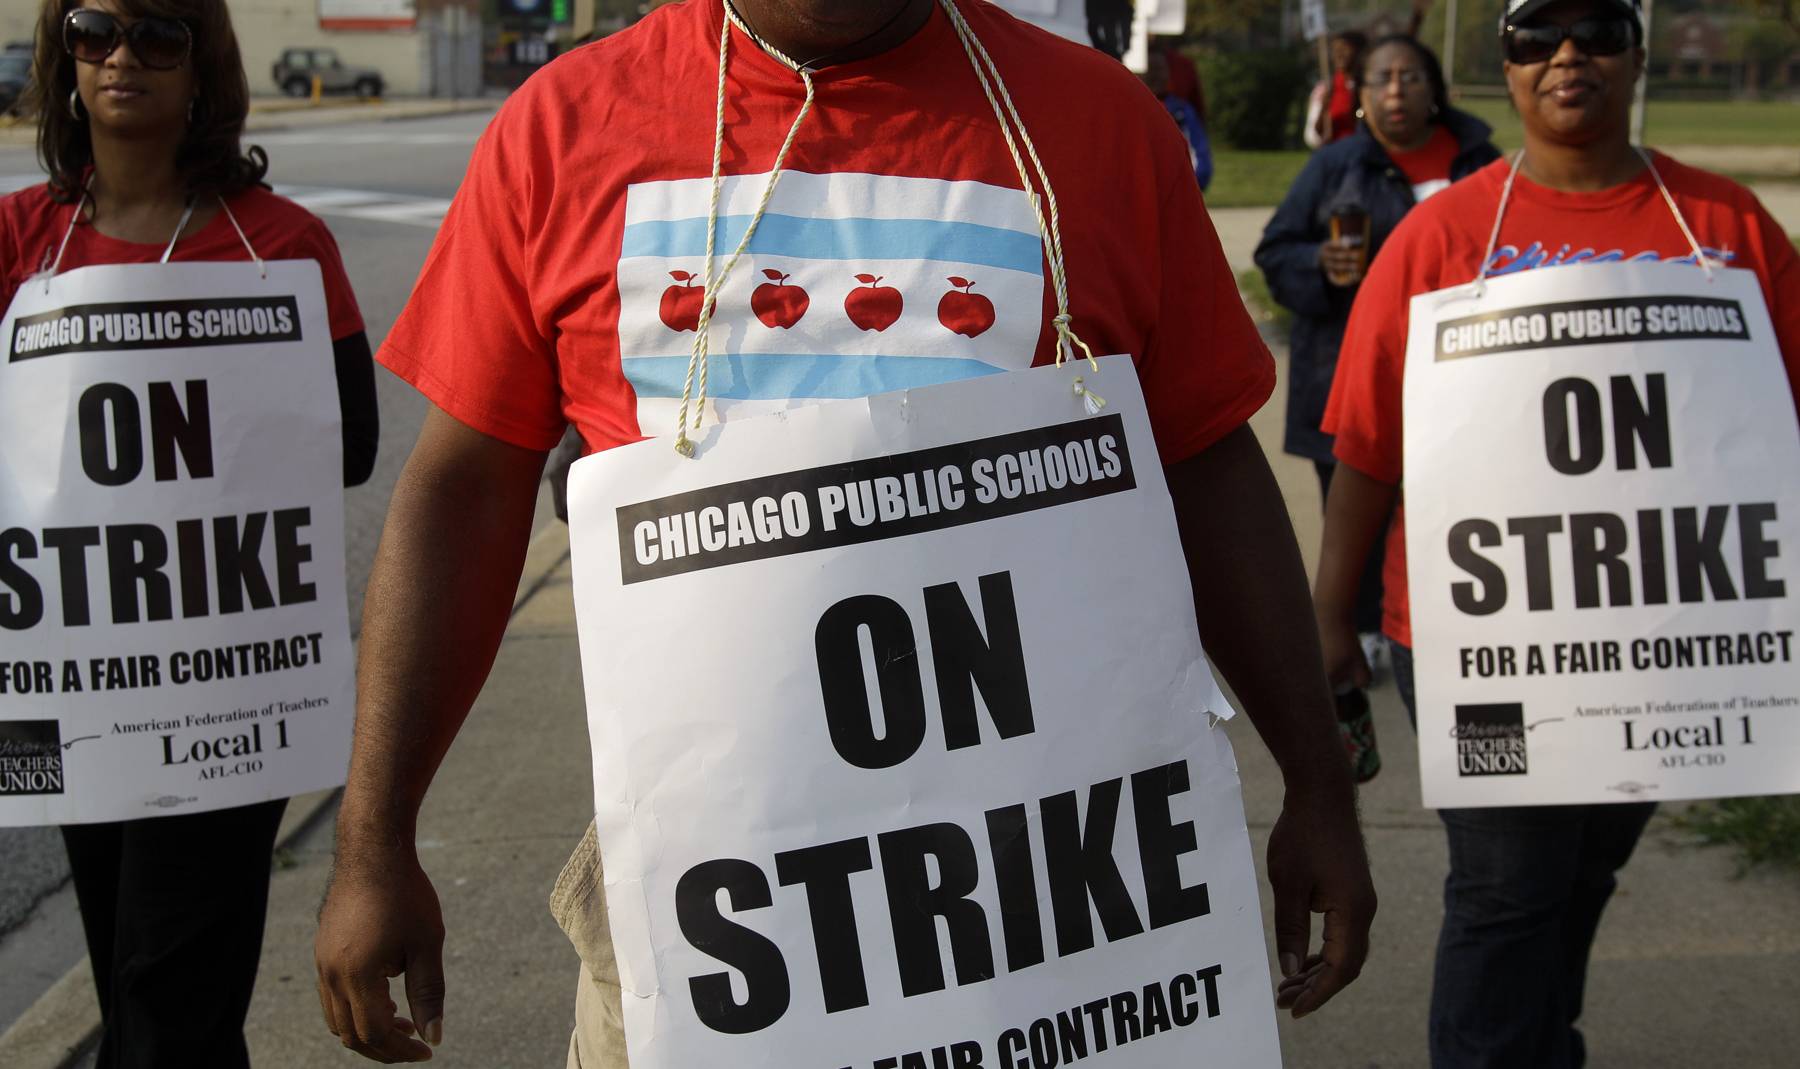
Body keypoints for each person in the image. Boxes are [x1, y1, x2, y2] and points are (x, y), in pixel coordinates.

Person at [311, 1, 1376, 1064]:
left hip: (1060, 915)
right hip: (712, 918)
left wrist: (1318, 780)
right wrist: (373, 840)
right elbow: (462, 493)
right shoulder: (565, 126)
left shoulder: (1099, 123)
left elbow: (1205, 463)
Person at [1314, 0, 1800, 1064]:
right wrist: (1330, 619)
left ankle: (1544, 1045)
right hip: (1477, 643)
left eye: (1596, 32)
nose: (1567, 56)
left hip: (1664, 642)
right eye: (1538, 36)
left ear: (1636, 52)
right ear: (1505, 65)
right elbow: (1366, 442)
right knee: (1504, 890)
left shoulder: (1726, 228)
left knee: (1580, 874)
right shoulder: (1440, 237)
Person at [1, 0, 378, 1064]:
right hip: (76, 688)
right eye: (94, 28)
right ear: (63, 54)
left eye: (159, 36)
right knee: (137, 983)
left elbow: (348, 448)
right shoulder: (19, 239)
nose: (123, 57)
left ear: (202, 66)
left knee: (169, 1004)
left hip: (229, 699)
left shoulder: (283, 243)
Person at [1255, 35, 1499, 773]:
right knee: (1354, 511)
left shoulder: (1482, 167)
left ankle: (1446, 624)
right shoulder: (1335, 167)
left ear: (1436, 89)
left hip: (1466, 384)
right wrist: (1319, 268)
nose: (1397, 89)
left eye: (1412, 76)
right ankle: (1360, 634)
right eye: (1382, 78)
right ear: (1359, 95)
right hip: (1353, 378)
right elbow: (1274, 252)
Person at [1142, 45, 1212, 190]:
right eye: (1152, 69)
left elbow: (1200, 159)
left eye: (1160, 69)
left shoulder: (1182, 111)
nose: (1156, 76)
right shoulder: (1130, 109)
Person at [1305, 30, 1366, 150]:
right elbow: (1317, 131)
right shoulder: (1329, 86)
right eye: (1335, 49)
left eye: (1345, 49)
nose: (1339, 54)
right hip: (1336, 151)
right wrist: (1323, 108)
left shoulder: (1366, 85)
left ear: (1358, 51)